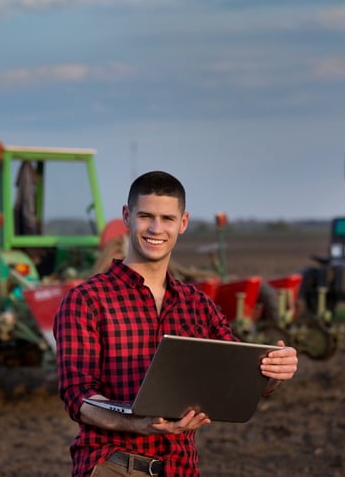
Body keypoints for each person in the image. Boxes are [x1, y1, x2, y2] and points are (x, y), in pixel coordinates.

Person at [54, 171, 298, 476]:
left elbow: (241, 374)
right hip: (114, 465)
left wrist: (274, 370)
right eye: (146, 216)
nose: (156, 228)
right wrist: (137, 424)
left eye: (167, 218)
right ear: (127, 217)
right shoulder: (87, 300)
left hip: (181, 468)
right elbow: (79, 397)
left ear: (182, 223)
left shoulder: (197, 305)